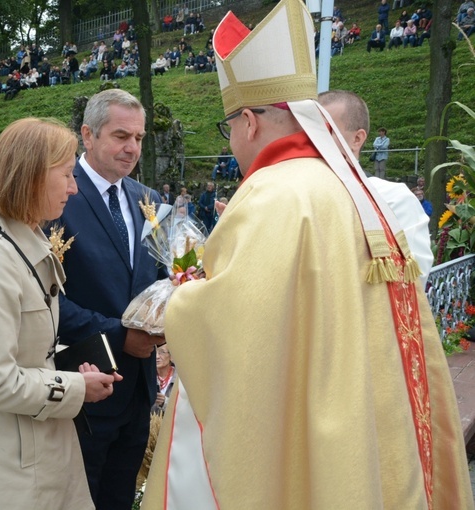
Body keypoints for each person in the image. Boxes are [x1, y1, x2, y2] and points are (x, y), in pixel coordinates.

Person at [142, 1, 473, 508]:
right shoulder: (353, 187)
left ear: (249, 122)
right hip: (363, 405)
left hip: (305, 407)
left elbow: (235, 323)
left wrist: (180, 298)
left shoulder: (271, 195)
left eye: (228, 128)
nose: (231, 142)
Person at [0, 118, 120, 509]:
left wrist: (72, 373)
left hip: (33, 451)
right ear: (33, 175)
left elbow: (31, 349)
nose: (74, 187)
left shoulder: (21, 237)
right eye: (67, 174)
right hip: (3, 468)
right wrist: (75, 388)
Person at [55, 89, 166, 510]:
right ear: (87, 134)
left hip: (138, 385)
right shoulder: (60, 195)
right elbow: (45, 297)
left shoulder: (148, 200)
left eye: (138, 138)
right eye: (121, 136)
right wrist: (119, 337)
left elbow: (157, 280)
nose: (132, 148)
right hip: (79, 380)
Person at [318, 90, 434, 282]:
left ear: (357, 139)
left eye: (326, 131)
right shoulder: (295, 194)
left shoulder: (394, 199)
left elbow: (412, 280)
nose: (312, 141)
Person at [150, 343, 175, 414]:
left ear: (171, 356)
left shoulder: (180, 379)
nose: (157, 356)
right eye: (154, 352)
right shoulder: (149, 377)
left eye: (162, 352)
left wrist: (165, 402)